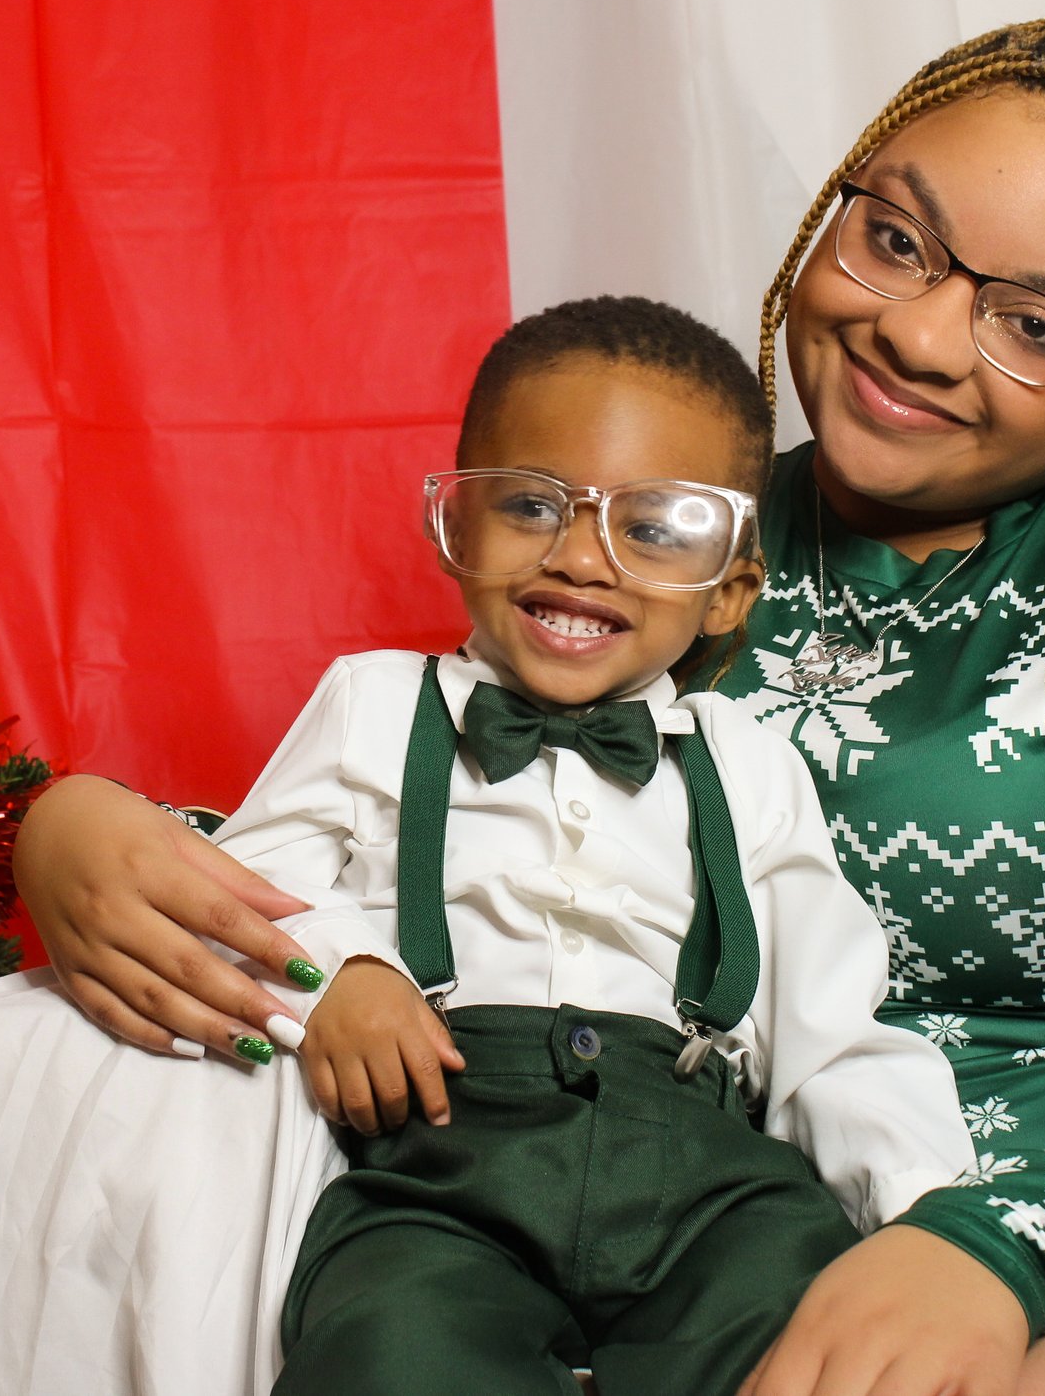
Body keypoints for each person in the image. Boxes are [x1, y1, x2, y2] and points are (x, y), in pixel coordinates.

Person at [0, 0, 1045, 1396]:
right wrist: (79, 828)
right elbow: (445, 834)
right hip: (747, 1238)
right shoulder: (648, 551)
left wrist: (998, 1245)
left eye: (1033, 322)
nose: (914, 329)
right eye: (895, 237)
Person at [211, 298, 973, 1395]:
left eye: (655, 525)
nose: (580, 557)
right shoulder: (373, 702)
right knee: (385, 1344)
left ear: (730, 591)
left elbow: (831, 1024)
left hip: (704, 1168)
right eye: (529, 504)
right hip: (442, 1163)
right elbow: (240, 891)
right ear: (459, 524)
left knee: (797, 1305)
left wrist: (927, 1210)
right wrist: (347, 971)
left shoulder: (748, 761)